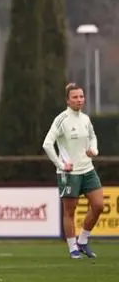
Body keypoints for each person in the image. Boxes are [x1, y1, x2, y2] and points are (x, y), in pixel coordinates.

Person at [42, 82, 104, 259]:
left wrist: (94, 150)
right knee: (70, 211)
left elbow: (93, 137)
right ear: (67, 101)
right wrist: (61, 165)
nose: (79, 100)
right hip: (69, 173)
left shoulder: (85, 119)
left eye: (81, 96)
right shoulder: (61, 120)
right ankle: (72, 248)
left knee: (99, 205)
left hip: (88, 170)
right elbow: (47, 144)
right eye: (75, 97)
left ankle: (83, 240)